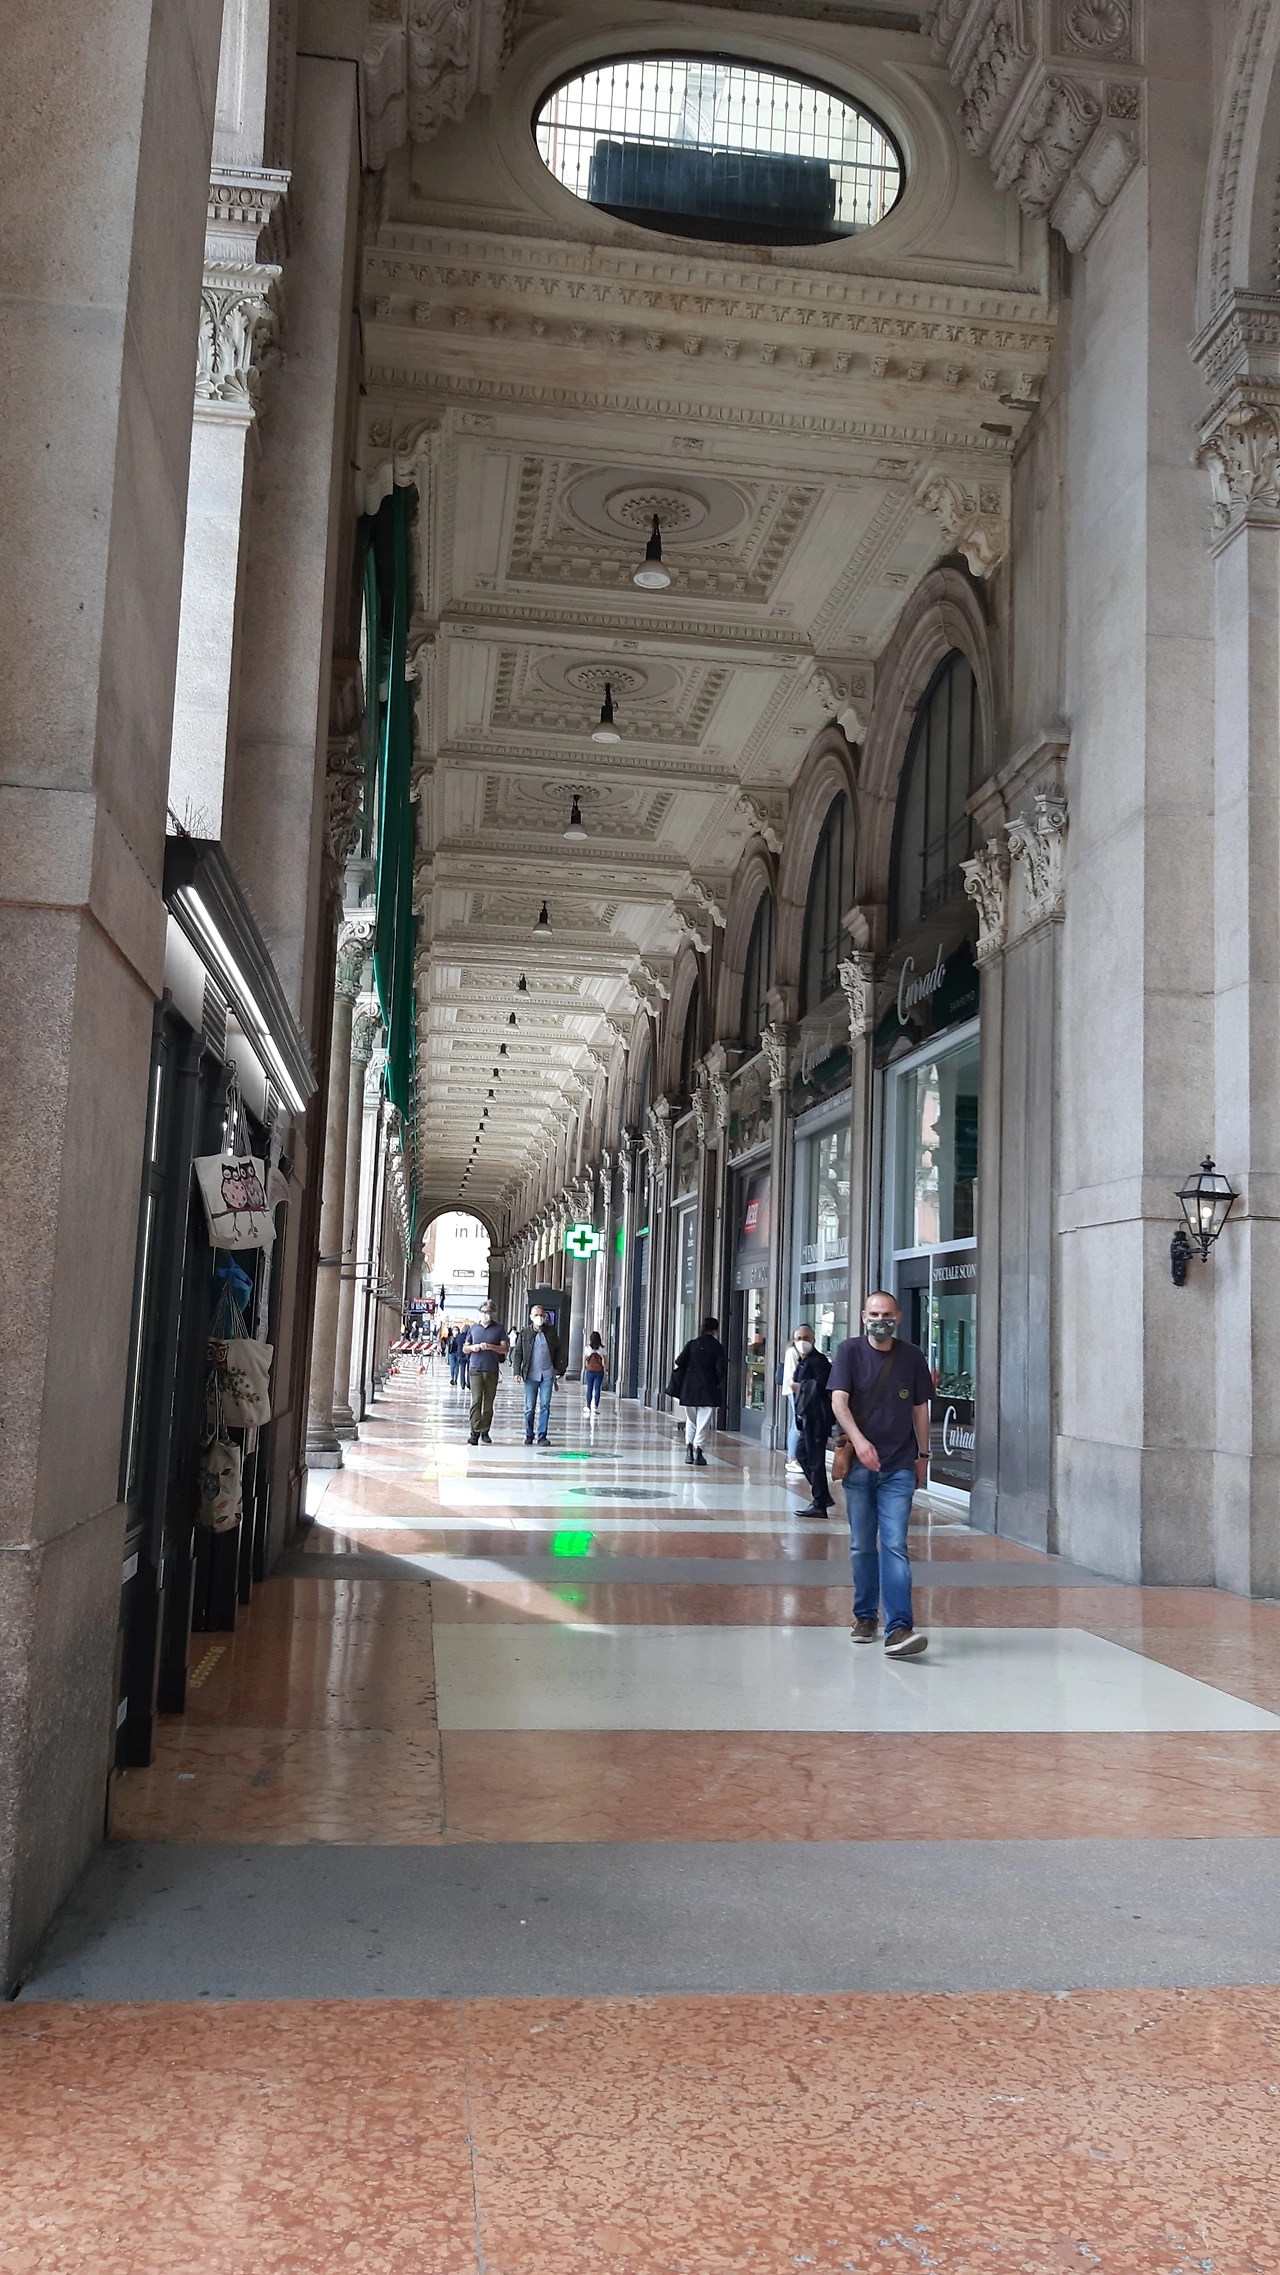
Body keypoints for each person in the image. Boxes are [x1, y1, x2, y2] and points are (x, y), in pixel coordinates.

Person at [829, 1291, 933, 1658]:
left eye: (886, 1314)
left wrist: (923, 1455)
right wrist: (859, 1442)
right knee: (861, 1545)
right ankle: (865, 1616)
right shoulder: (849, 1351)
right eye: (874, 1314)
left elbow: (920, 1409)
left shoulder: (911, 1356)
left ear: (898, 1318)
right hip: (860, 1467)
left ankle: (899, 1627)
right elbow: (838, 1401)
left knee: (894, 1544)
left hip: (899, 1466)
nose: (880, 1320)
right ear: (863, 1316)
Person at [667, 1315, 727, 1466]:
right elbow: (721, 1370)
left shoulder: (692, 1344)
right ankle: (698, 1451)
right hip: (708, 1388)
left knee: (691, 1420)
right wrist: (714, 1380)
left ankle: (688, 1450)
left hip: (689, 1388)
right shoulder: (717, 1347)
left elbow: (679, 1361)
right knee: (703, 1422)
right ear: (715, 1330)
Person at [788, 1325, 832, 1519]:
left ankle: (819, 1502)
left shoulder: (819, 1361)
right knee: (801, 1453)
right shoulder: (802, 1361)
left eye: (806, 1338)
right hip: (807, 1419)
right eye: (798, 1338)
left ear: (813, 1340)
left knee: (815, 1460)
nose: (802, 1342)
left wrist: (800, 1387)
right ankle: (822, 1495)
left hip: (817, 1419)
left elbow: (823, 1387)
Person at [510, 1304, 567, 1445]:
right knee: (530, 1407)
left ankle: (542, 1436)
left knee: (545, 1406)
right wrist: (516, 1372)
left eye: (541, 1315)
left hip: (547, 1375)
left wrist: (558, 1368)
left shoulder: (551, 1332)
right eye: (536, 1315)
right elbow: (518, 1353)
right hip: (530, 1375)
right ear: (531, 1317)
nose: (539, 1318)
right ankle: (529, 1434)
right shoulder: (525, 1333)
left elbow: (559, 1350)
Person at [463, 1303, 509, 1443]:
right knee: (476, 1400)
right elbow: (465, 1348)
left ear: (492, 1313)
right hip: (475, 1368)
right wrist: (472, 1348)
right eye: (483, 1311)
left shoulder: (498, 1328)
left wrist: (491, 1347)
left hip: (491, 1369)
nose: (485, 1314)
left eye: (488, 1312)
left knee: (488, 1403)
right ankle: (474, 1431)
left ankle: (485, 1430)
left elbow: (504, 1349)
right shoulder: (473, 1328)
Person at [582, 1331, 607, 1416]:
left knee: (589, 1389)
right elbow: (605, 1360)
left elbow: (585, 1359)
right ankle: (595, 1406)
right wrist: (606, 1369)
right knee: (597, 1389)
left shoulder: (587, 1348)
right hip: (599, 1371)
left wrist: (585, 1367)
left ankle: (588, 1406)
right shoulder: (602, 1348)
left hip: (590, 1371)